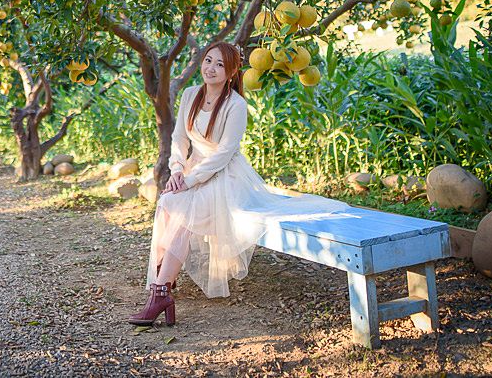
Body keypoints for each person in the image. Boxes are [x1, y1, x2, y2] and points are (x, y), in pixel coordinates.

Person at [128, 41, 349, 326]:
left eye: (220, 64)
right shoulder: (190, 95)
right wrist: (178, 169)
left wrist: (192, 180)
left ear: (232, 72)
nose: (211, 68)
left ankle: (160, 295)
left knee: (185, 213)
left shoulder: (236, 105)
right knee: (168, 202)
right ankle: (165, 283)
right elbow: (180, 140)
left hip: (226, 177)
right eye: (208, 61)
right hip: (194, 170)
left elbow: (224, 153)